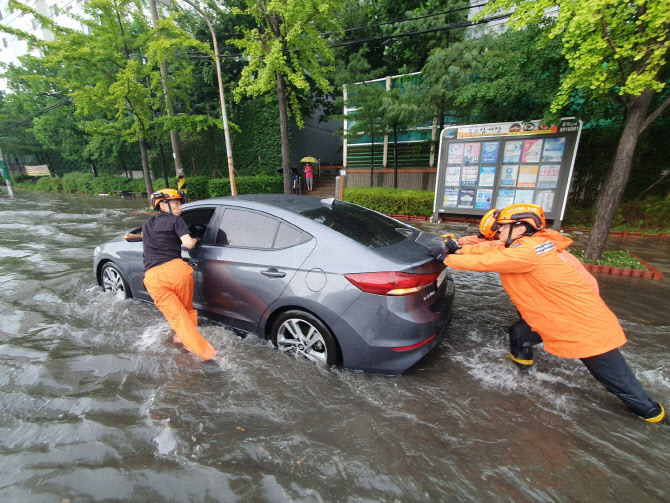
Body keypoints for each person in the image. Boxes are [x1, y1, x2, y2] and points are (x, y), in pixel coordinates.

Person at [429, 203, 665, 423]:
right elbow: (492, 247)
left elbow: (489, 261)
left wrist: (448, 259)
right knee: (520, 334)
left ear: (521, 228)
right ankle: (526, 373)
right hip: (552, 318)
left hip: (583, 325)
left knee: (618, 382)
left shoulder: (526, 253)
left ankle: (653, 416)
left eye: (503, 226)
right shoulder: (528, 244)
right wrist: (459, 248)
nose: (499, 230)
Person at [142, 189, 217, 361]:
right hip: (177, 271)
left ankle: (200, 350)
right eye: (176, 203)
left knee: (178, 317)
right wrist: (197, 239)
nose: (180, 207)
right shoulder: (176, 221)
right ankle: (195, 346)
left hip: (153, 276)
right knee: (186, 310)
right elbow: (189, 244)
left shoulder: (147, 224)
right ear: (163, 205)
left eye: (180, 203)